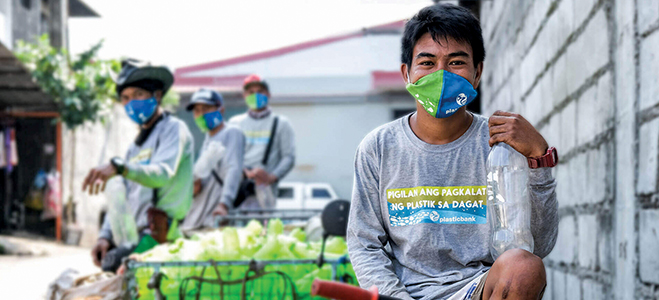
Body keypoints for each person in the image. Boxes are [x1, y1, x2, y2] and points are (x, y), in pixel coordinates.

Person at [346, 4, 559, 300]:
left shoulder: (501, 143)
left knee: (523, 267)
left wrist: (539, 160)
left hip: (479, 289)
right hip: (404, 294)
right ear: (407, 73)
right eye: (428, 63)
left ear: (477, 73)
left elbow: (538, 246)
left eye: (456, 62)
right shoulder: (379, 147)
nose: (441, 75)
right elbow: (364, 244)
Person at [82, 59, 194, 269]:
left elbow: (162, 173)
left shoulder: (174, 129)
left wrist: (120, 167)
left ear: (157, 95)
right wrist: (105, 236)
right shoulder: (134, 148)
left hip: (161, 237)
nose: (131, 102)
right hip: (137, 237)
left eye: (138, 95)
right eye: (125, 98)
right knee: (108, 265)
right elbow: (120, 198)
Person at [181, 88, 245, 230]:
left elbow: (233, 169)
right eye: (197, 110)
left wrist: (224, 204)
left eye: (206, 108)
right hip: (197, 218)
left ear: (221, 110)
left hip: (214, 219)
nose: (201, 114)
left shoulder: (232, 132)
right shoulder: (207, 140)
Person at [229, 74, 295, 209]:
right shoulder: (235, 123)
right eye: (251, 92)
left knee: (264, 228)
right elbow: (229, 156)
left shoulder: (281, 123)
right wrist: (244, 172)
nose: (256, 95)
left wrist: (271, 177)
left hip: (266, 193)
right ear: (244, 95)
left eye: (260, 91)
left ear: (268, 94)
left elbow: (288, 157)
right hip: (239, 191)